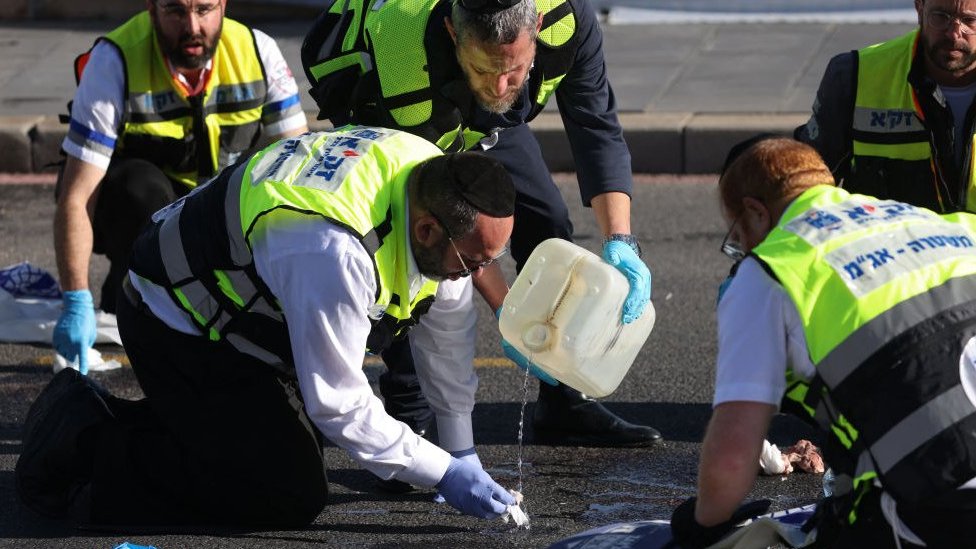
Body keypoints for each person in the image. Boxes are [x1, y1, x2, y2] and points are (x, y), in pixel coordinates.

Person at [16, 126, 521, 526]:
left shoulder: (430, 183)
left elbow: (448, 324)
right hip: (176, 318)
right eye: (474, 262)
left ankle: (195, 424)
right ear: (428, 229)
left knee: (281, 446)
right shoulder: (336, 251)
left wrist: (461, 449)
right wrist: (446, 474)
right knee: (285, 491)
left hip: (244, 310)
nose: (480, 276)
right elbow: (339, 405)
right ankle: (82, 442)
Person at [300, 0, 657, 457]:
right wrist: (512, 317)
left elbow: (596, 126)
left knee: (547, 219)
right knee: (418, 251)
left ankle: (564, 400)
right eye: (485, 68)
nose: (501, 84)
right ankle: (411, 413)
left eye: (515, 69)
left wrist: (620, 241)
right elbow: (449, 219)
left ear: (539, 28)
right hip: (395, 110)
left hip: (471, 112)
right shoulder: (402, 62)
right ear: (453, 32)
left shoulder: (569, 18)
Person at [669, 137, 976, 548]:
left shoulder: (773, 269)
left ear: (756, 214)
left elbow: (731, 454)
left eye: (738, 239)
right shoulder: (944, 224)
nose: (741, 252)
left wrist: (703, 525)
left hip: (948, 506)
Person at [53, 0, 309, 375]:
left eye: (204, 9)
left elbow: (299, 172)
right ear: (152, 9)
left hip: (222, 210)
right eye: (175, 11)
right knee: (137, 188)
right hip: (147, 212)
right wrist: (75, 301)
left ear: (222, 6)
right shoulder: (114, 59)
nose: (192, 26)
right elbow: (77, 197)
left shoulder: (258, 51)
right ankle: (139, 296)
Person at [795, 0, 976, 214]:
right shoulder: (856, 75)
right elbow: (802, 186)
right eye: (941, 17)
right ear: (919, 8)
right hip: (888, 245)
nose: (954, 33)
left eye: (969, 20)